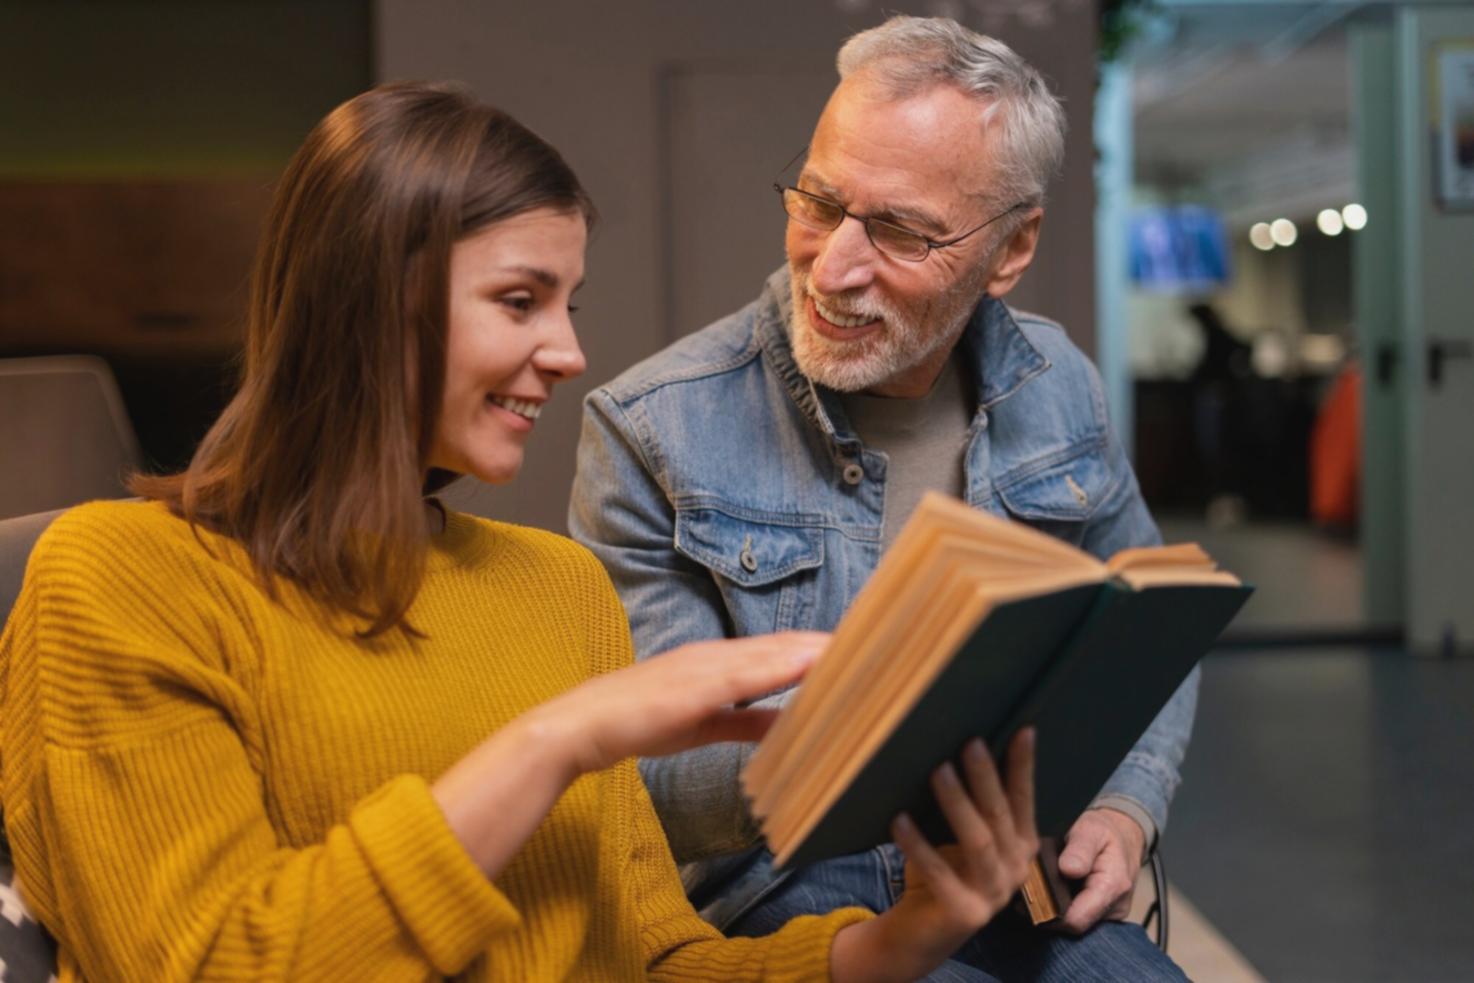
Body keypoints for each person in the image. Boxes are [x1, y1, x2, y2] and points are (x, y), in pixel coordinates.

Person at [0, 81, 1043, 981]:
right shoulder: (118, 576)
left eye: (568, 301)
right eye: (520, 299)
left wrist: (905, 934)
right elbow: (218, 963)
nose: (568, 350)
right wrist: (559, 738)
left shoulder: (556, 585)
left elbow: (653, 956)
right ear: (367, 304)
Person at [569, 16, 1196, 981]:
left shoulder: (1057, 381)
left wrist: (1127, 806)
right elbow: (646, 781)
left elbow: (1150, 622)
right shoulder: (652, 427)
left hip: (1007, 866)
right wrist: (855, 734)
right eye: (820, 202)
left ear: (1014, 248)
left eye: (902, 231)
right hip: (779, 883)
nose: (833, 266)